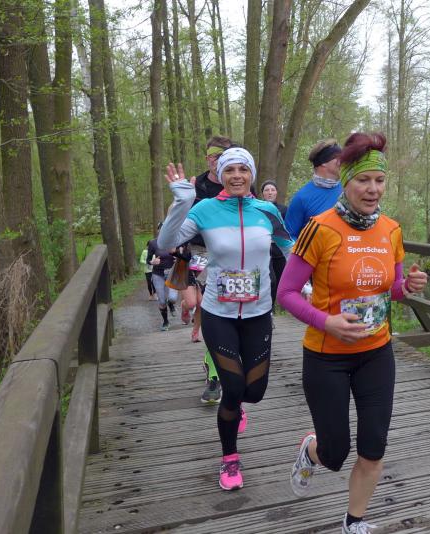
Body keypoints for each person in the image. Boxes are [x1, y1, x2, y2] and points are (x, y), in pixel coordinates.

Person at [277, 132, 427, 534]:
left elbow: (392, 289)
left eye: (379, 180)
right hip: (326, 356)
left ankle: (354, 521)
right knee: (335, 452)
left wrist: (408, 287)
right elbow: (285, 293)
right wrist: (325, 321)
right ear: (346, 181)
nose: (373, 189)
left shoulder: (391, 230)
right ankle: (311, 451)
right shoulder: (319, 229)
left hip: (376, 353)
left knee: (374, 447)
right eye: (363, 180)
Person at [158, 147, 294, 491]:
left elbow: (289, 249)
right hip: (218, 314)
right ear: (220, 174)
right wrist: (181, 203)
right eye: (229, 170)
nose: (236, 176)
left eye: (242, 170)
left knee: (255, 391)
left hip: (258, 313)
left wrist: (304, 284)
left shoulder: (267, 211)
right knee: (232, 389)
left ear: (251, 175)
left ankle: (238, 406)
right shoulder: (204, 209)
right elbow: (166, 242)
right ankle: (230, 458)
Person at [191, 136, 238, 403]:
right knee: (214, 310)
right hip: (202, 255)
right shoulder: (196, 185)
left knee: (230, 314)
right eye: (213, 156)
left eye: (222, 156)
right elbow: (179, 225)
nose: (217, 161)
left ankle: (221, 367)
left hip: (235, 255)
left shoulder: (241, 181)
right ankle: (214, 375)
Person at [283, 139, 342, 240]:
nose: (343, 161)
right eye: (339, 158)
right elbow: (288, 237)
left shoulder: (349, 190)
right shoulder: (302, 198)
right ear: (323, 162)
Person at [261, 180, 287, 307]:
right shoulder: (257, 208)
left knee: (280, 280)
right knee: (270, 280)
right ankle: (267, 308)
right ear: (262, 194)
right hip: (263, 248)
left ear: (276, 193)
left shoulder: (284, 209)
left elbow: (289, 229)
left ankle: (272, 307)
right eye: (267, 190)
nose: (270, 192)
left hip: (279, 249)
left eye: (272, 190)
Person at [146, 227, 178, 331]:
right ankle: (165, 322)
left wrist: (178, 258)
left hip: (172, 274)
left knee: (173, 298)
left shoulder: (175, 241)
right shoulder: (153, 243)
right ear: (158, 231)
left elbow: (183, 255)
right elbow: (148, 260)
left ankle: (171, 304)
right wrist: (152, 262)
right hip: (158, 274)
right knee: (162, 300)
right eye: (161, 230)